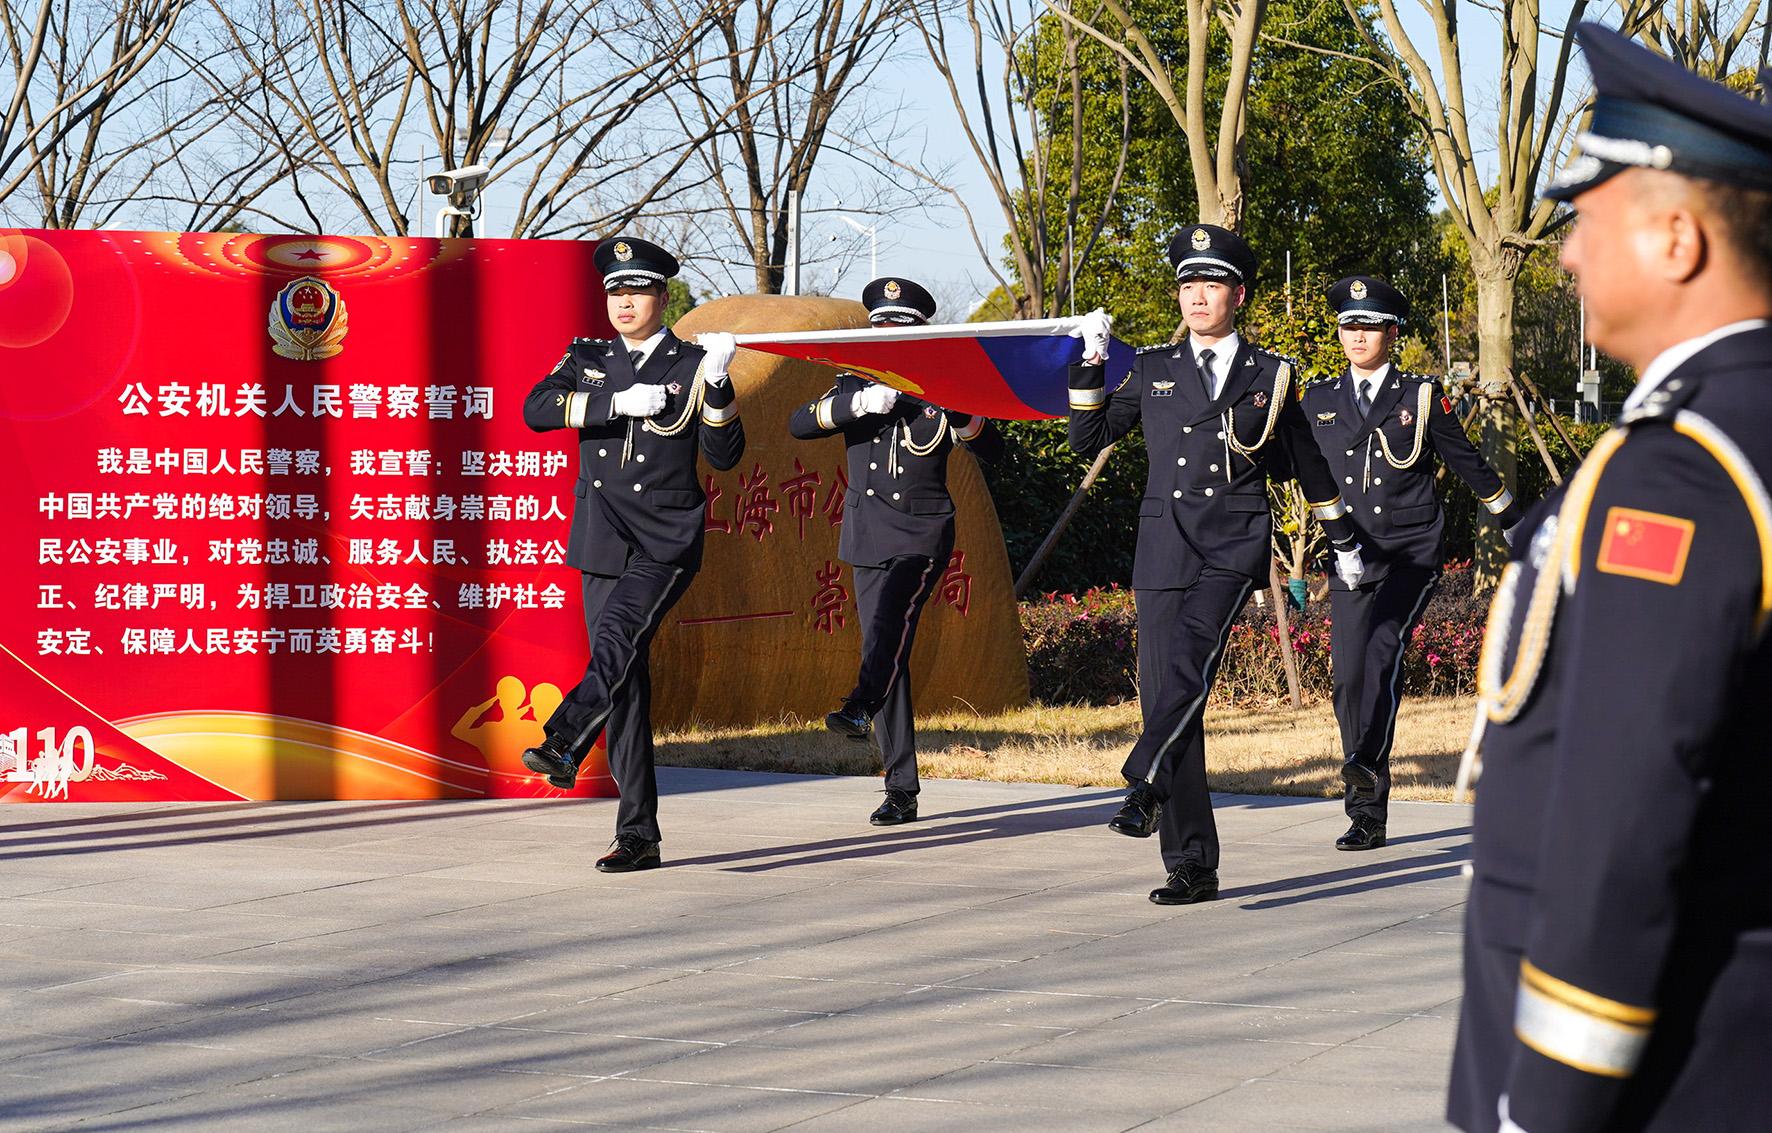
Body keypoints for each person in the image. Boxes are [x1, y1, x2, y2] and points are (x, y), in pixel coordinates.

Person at [1449, 24, 1772, 1133]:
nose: (1565, 257)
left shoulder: (1682, 470)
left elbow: (1625, 810)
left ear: (1677, 237)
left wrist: (1545, 1102)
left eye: (1586, 220)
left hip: (1667, 1075)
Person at [1067, 225, 1365, 904]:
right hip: (1163, 546)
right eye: (1187, 285)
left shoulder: (1271, 374)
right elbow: (1088, 437)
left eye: (1210, 284)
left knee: (1188, 664)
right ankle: (1193, 863)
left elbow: (1305, 461)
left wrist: (1342, 536)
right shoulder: (1152, 368)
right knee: (1170, 696)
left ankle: (1144, 783)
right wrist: (1088, 361)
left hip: (1230, 544)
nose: (1196, 297)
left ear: (1239, 294)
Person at [518, 236, 744, 873]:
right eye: (615, 291)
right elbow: (536, 409)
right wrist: (615, 402)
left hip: (662, 541)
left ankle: (564, 739)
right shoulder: (587, 358)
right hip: (602, 537)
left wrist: (719, 383)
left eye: (638, 290)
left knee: (615, 643)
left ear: (662, 297)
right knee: (623, 681)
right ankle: (639, 835)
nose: (624, 302)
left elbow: (725, 456)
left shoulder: (693, 363)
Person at [1302, 276, 1525, 851]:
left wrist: (1515, 522)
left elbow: (1467, 461)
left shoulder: (1419, 396)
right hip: (1350, 556)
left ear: (1392, 333)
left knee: (1383, 650)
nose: (1357, 336)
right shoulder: (1318, 399)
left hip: (1409, 553)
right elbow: (1291, 464)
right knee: (1349, 679)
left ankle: (1364, 775)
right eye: (1349, 325)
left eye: (1370, 326)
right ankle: (1365, 806)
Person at [790, 276, 1004, 826]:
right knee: (885, 650)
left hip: (921, 534)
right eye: (880, 329)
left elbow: (995, 447)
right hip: (867, 533)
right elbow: (800, 423)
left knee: (888, 629)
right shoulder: (853, 382)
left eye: (898, 331)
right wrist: (857, 404)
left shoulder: (944, 384)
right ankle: (900, 786)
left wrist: (961, 413)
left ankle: (860, 709)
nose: (888, 339)